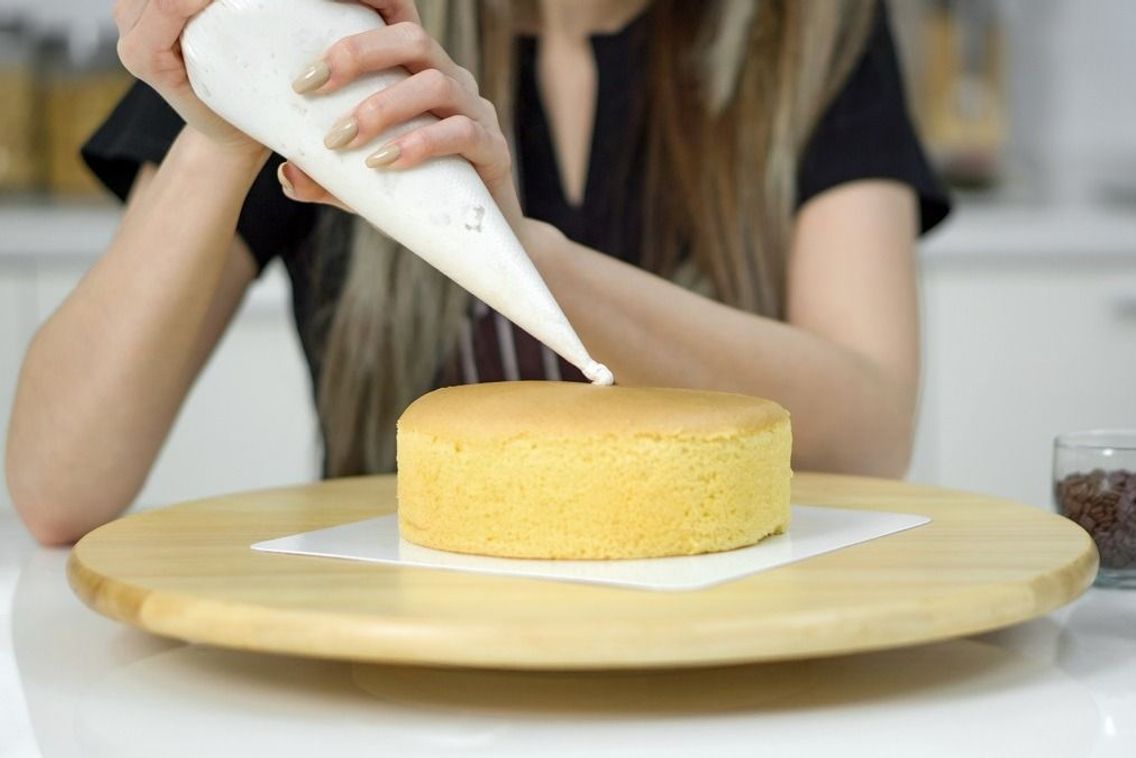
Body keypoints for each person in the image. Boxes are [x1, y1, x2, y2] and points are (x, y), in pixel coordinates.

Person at [7, 0, 949, 545]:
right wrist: (223, 118)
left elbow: (869, 432)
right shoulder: (343, 30)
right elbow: (58, 487)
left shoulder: (810, 29)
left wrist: (518, 255)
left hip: (724, 650)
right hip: (393, 662)